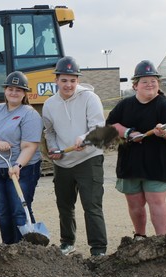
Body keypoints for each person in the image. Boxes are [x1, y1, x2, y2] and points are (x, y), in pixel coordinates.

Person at [42, 57, 107, 256]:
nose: (68, 85)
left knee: (91, 205)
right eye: (64, 80)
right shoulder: (49, 104)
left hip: (89, 158)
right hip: (63, 162)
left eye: (72, 80)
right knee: (64, 206)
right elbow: (49, 131)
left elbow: (98, 127)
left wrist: (84, 138)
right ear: (56, 81)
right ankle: (67, 242)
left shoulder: (90, 98)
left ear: (77, 80)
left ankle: (98, 249)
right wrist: (54, 148)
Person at [105, 60, 166, 238]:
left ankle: (161, 239)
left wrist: (163, 131)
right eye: (145, 81)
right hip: (130, 163)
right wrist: (128, 132)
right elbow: (111, 125)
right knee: (135, 205)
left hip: (157, 163)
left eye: (153, 81)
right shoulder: (125, 105)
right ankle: (140, 236)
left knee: (156, 202)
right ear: (135, 85)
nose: (150, 84)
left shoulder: (164, 105)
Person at [0, 71, 43, 245]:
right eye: (10, 89)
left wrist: (18, 166)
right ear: (5, 90)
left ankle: (27, 247)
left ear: (24, 93)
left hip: (23, 169)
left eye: (19, 90)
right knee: (3, 211)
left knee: (19, 209)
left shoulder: (29, 114)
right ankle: (9, 247)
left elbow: (30, 146)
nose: (14, 92)